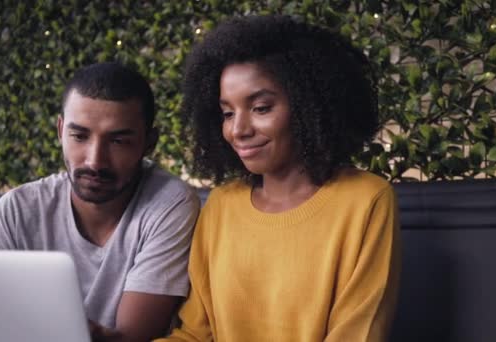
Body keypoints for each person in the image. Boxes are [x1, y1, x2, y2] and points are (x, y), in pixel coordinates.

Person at [158, 15, 401, 342]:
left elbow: (357, 334)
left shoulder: (365, 201)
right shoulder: (221, 206)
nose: (238, 130)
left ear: (308, 105)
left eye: (260, 108)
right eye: (228, 113)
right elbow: (194, 335)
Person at [0, 62, 200, 341]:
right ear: (60, 131)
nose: (95, 160)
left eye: (118, 141)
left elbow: (131, 338)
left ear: (149, 142)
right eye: (79, 136)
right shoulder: (17, 211)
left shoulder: (170, 204)